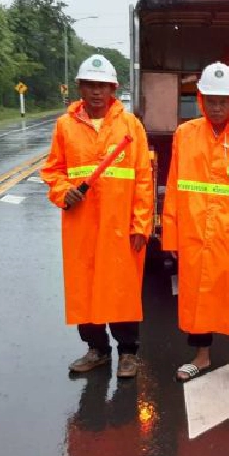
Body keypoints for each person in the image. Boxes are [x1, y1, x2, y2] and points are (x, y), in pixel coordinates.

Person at [41, 54, 153, 378]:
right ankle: (97, 350)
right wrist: (64, 192)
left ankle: (128, 353)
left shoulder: (130, 126)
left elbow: (143, 179)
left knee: (121, 290)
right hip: (81, 226)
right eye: (90, 85)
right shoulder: (65, 125)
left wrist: (141, 224)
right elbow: (53, 171)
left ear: (113, 89)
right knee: (85, 290)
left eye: (103, 86)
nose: (96, 92)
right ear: (80, 87)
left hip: (120, 227)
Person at [162, 62, 229, 388]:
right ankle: (201, 357)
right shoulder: (185, 134)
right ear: (200, 99)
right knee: (197, 299)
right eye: (211, 99)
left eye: (223, 100)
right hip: (194, 235)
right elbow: (175, 187)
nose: (217, 106)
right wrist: (173, 237)